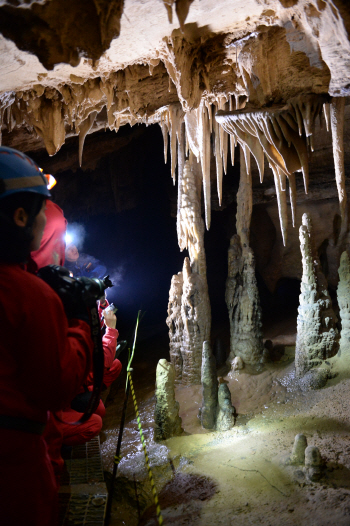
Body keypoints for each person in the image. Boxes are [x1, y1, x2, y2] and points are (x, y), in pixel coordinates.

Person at [0, 146, 94, 526]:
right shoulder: (26, 295)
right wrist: (79, 323)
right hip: (14, 460)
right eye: (42, 211)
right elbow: (58, 386)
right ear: (21, 216)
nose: (46, 221)